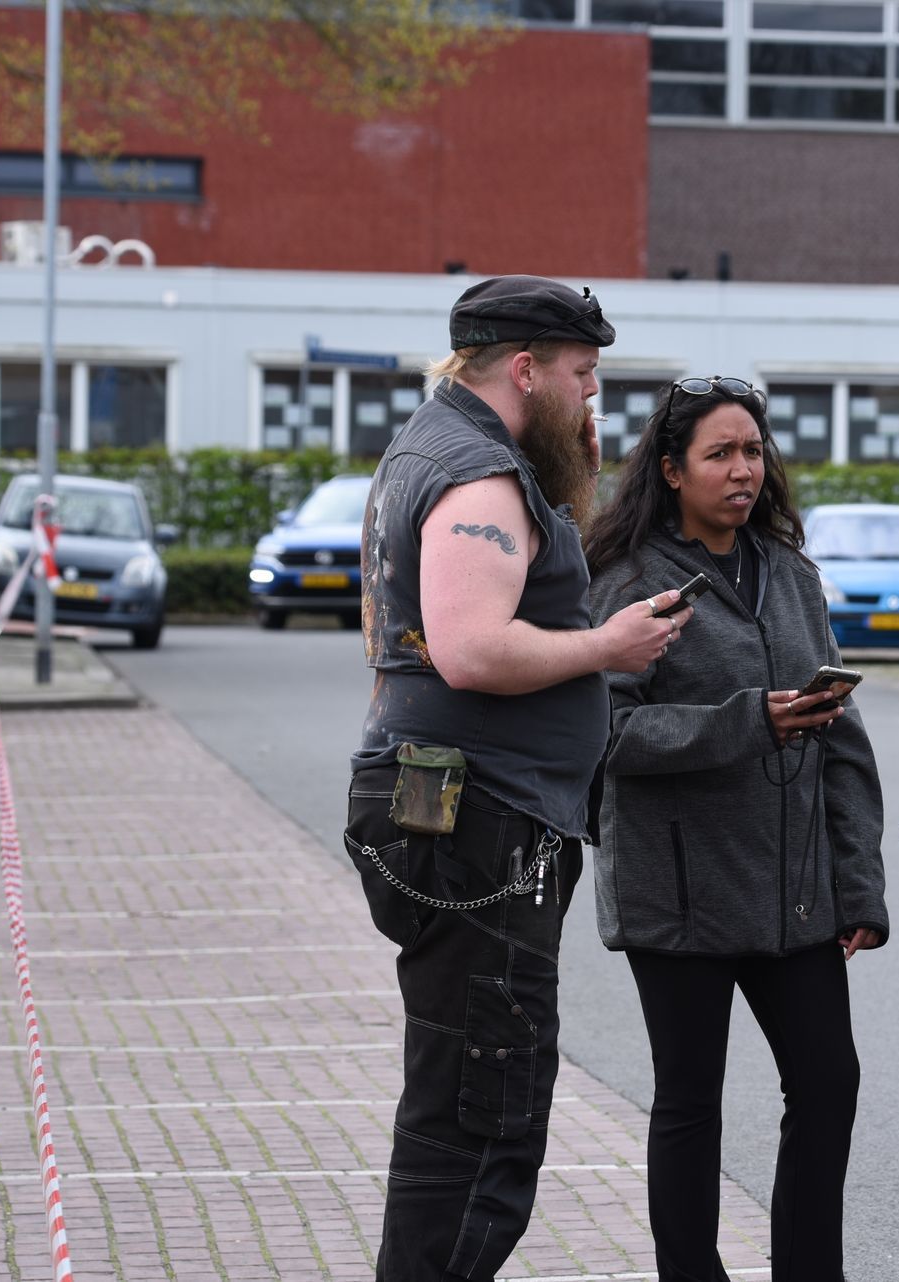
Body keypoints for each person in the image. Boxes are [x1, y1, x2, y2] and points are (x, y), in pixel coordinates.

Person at [345, 275, 685, 1282]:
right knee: (485, 1119)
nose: (592, 402)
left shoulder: (429, 447)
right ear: (525, 370)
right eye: (582, 377)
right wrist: (608, 646)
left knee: (460, 1098)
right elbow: (470, 650)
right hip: (480, 820)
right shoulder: (480, 474)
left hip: (456, 809)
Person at [585, 377, 889, 1282]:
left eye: (753, 451)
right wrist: (744, 719)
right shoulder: (628, 581)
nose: (743, 469)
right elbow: (602, 737)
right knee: (689, 1101)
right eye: (720, 453)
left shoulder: (792, 575)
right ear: (672, 469)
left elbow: (844, 741)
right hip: (676, 893)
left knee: (829, 1084)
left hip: (793, 894)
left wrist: (858, 885)